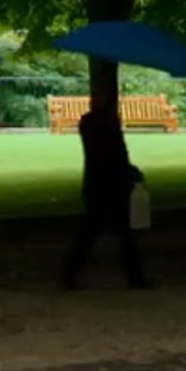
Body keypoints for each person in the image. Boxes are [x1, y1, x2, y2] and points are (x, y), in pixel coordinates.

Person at [61, 105, 151, 290]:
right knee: (121, 232)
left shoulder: (91, 123)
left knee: (93, 231)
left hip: (96, 185)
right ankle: (135, 276)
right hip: (112, 185)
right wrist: (130, 172)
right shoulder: (107, 125)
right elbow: (116, 156)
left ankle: (69, 273)